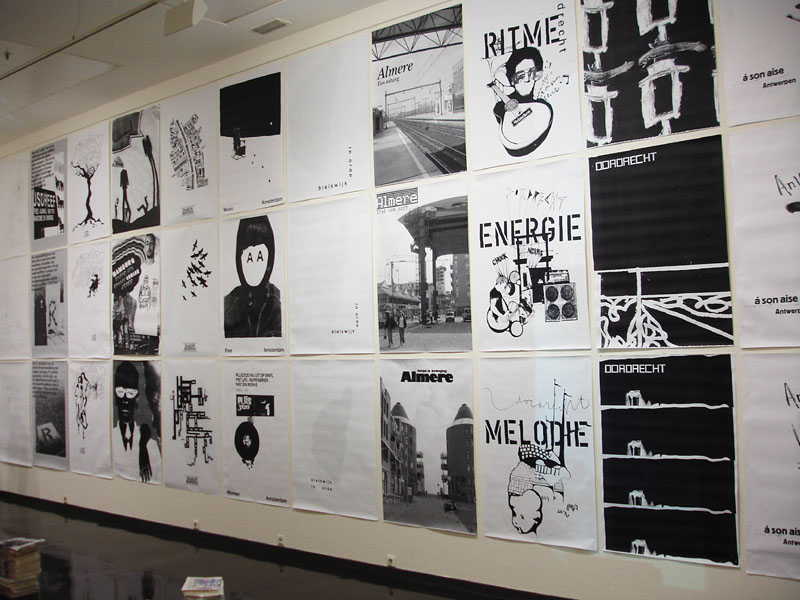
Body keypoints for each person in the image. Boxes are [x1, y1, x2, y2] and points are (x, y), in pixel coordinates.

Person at [224, 215, 281, 338]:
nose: (253, 263)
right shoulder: (228, 306)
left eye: (260, 256)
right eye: (248, 257)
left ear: (269, 259)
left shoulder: (279, 304)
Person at [490, 46, 553, 157]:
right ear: (511, 79)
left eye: (532, 73)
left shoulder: (542, 104)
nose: (528, 80)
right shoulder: (501, 106)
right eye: (520, 76)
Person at [112, 361, 161, 483]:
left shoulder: (150, 444)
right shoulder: (108, 438)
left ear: (137, 398)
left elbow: (157, 477)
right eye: (120, 392)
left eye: (130, 393)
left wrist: (143, 447)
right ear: (115, 396)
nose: (125, 400)